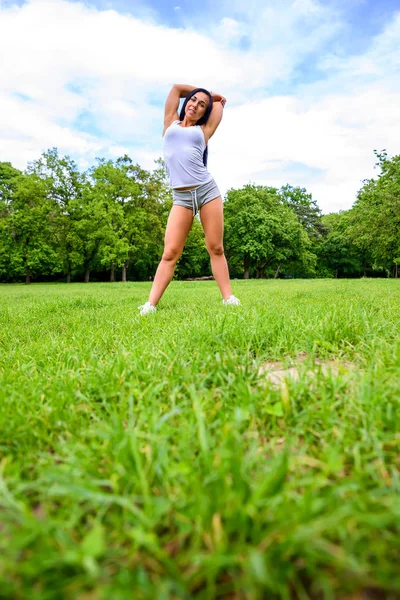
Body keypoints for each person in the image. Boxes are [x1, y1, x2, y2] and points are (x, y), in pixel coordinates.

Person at [138, 83, 240, 315]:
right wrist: (205, 93)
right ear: (187, 103)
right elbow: (176, 89)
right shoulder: (170, 123)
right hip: (181, 197)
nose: (195, 105)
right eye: (193, 100)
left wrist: (213, 100)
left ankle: (229, 298)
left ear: (205, 112)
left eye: (202, 105)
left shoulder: (203, 131)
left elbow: (219, 105)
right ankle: (150, 305)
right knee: (170, 253)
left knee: (215, 247)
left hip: (206, 191)